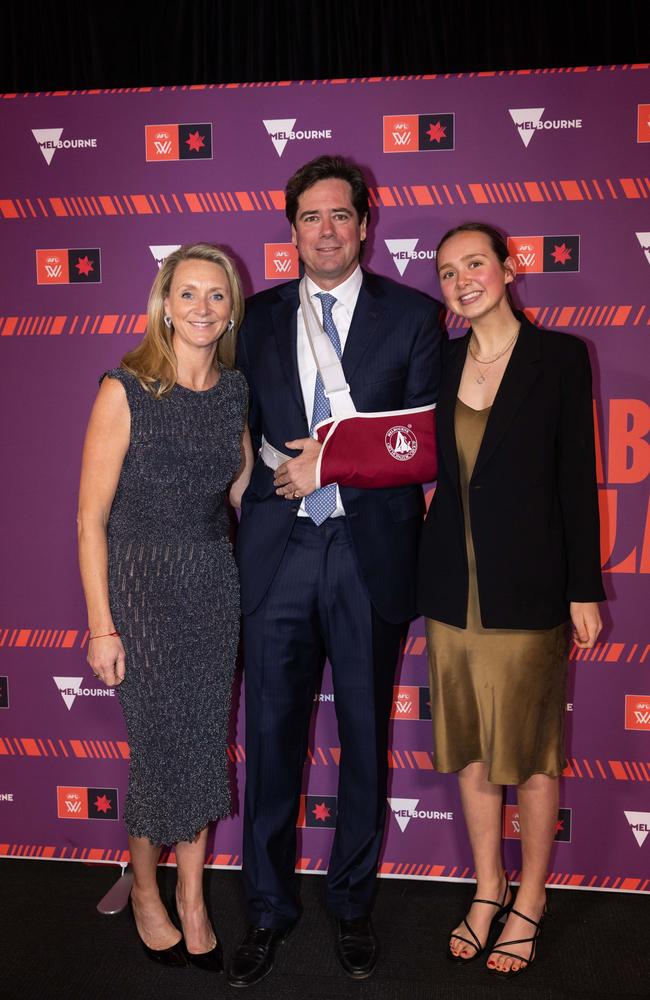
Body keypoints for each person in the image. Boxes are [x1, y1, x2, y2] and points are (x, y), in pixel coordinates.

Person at [228, 154, 442, 987]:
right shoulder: (254, 317)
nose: (326, 230)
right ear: (291, 231)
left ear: (365, 222)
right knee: (272, 742)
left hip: (369, 554)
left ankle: (351, 904)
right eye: (310, 217)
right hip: (276, 555)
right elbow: (232, 430)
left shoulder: (415, 318)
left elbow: (419, 447)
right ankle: (268, 909)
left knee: (363, 738)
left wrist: (332, 462)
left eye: (340, 216)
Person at [417, 222, 605, 977]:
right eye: (447, 271)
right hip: (450, 593)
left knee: (528, 756)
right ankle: (487, 887)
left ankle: (531, 896)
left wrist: (583, 587)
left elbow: (576, 481)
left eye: (474, 263)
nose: (462, 279)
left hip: (528, 591)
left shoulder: (560, 357)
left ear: (509, 267)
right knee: (466, 750)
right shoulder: (442, 359)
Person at [77, 243, 252, 972]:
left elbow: (242, 488)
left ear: (231, 308)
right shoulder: (126, 389)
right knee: (157, 750)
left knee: (202, 748)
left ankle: (191, 897)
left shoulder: (236, 391)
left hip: (213, 585)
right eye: (189, 294)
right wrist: (101, 627)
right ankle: (146, 888)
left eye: (217, 296)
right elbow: (90, 519)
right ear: (164, 303)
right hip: (141, 592)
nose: (203, 308)